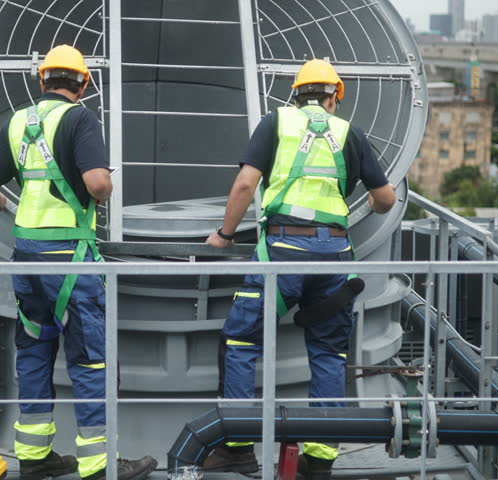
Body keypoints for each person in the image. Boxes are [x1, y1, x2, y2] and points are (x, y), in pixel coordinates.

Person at [203, 59, 396, 480]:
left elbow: (244, 185)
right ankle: (320, 458)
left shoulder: (276, 124)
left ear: (296, 94)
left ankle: (237, 447)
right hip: (334, 254)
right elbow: (386, 198)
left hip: (284, 249)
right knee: (329, 352)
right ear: (334, 97)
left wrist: (224, 234)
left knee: (240, 340)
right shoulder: (350, 133)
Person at [0, 44, 157, 480]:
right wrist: (104, 188)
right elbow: (97, 183)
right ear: (83, 84)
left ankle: (34, 459)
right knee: (91, 360)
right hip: (71, 260)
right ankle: (97, 465)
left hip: (26, 260)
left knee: (34, 353)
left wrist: (0, 206)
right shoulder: (79, 118)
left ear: (43, 81)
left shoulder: (20, 121)